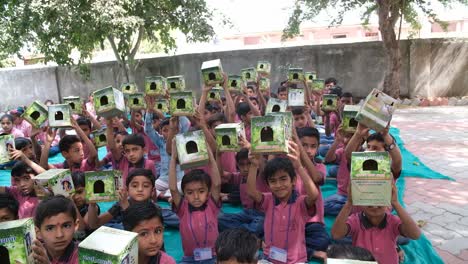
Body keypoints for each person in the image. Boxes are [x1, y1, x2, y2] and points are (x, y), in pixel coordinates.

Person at [247, 141, 319, 263]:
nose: (279, 185)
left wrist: (299, 167)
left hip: (296, 261)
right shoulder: (268, 200)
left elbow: (314, 195)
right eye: (273, 181)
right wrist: (254, 165)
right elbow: (251, 192)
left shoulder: (300, 202)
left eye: (283, 179)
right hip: (270, 259)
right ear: (268, 184)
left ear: (294, 181)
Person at [331, 184, 421, 264]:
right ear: (360, 202)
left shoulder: (393, 221)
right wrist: (349, 203)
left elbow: (415, 235)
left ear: (388, 203)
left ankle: (397, 247)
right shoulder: (355, 220)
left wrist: (396, 203)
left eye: (379, 200)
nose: (374, 205)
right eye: (369, 201)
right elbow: (336, 234)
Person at [169, 137, 221, 264]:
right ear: (185, 194)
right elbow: (173, 189)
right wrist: (173, 157)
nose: (196, 196)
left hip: (213, 258)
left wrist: (209, 154)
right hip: (189, 259)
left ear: (208, 192)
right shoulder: (183, 208)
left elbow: (217, 183)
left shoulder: (211, 205)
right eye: (190, 192)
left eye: (201, 191)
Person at [296, 127, 330, 260]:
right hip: (292, 220)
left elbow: (317, 178)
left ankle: (292, 245)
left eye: (313, 146)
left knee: (323, 241)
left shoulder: (319, 166)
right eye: (304, 145)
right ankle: (309, 251)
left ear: (318, 148)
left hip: (312, 222)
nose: (308, 150)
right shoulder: (289, 167)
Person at [217, 149, 267, 238]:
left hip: (261, 215)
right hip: (245, 213)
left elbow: (262, 163)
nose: (245, 168)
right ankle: (246, 235)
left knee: (258, 225)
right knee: (219, 220)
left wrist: (255, 161)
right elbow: (221, 174)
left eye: (249, 164)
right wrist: (218, 156)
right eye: (242, 165)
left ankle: (238, 234)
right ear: (237, 165)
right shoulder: (239, 176)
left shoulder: (262, 175)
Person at [106, 120, 157, 185]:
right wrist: (109, 125)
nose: (131, 154)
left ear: (144, 150)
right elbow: (112, 148)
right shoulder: (123, 161)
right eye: (127, 151)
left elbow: (151, 186)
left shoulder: (149, 164)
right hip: (122, 193)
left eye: (135, 149)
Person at [32, 195, 79, 264]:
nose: (59, 235)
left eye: (66, 226)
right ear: (38, 232)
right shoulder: (35, 254)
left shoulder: (84, 255)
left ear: (75, 226)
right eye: (50, 228)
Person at [324, 126, 354, 215]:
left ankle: (353, 209)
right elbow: (328, 159)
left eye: (350, 137)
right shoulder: (342, 151)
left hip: (358, 196)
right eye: (346, 136)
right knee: (323, 207)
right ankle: (353, 210)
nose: (345, 140)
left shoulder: (364, 153)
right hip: (343, 194)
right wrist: (337, 140)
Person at [70, 172, 100, 240]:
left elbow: (81, 229)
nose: (76, 197)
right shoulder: (67, 205)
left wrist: (72, 204)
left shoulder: (93, 206)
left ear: (89, 189)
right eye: (71, 193)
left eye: (79, 192)